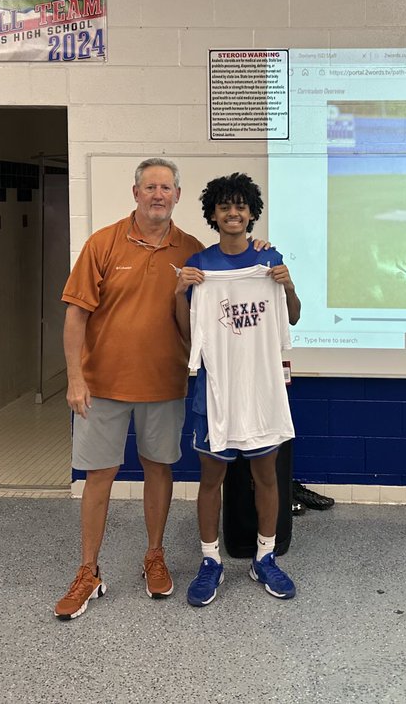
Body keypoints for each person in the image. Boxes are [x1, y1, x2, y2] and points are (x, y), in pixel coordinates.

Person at [53, 158, 207, 620]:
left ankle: (154, 555)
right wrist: (75, 379)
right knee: (99, 475)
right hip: (102, 386)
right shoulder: (103, 243)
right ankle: (88, 571)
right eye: (150, 187)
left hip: (164, 384)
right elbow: (75, 315)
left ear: (178, 196)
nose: (158, 194)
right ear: (136, 193)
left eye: (166, 187)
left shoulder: (193, 250)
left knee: (159, 469)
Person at [175, 173, 301, 607]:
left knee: (266, 476)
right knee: (212, 479)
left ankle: (264, 558)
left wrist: (286, 283)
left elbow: (294, 318)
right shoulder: (200, 265)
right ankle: (210, 561)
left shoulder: (270, 261)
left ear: (251, 213)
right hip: (216, 392)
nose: (233, 213)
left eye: (241, 206)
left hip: (261, 388)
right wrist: (181, 291)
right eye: (225, 207)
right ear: (213, 214)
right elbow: (185, 331)